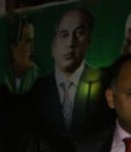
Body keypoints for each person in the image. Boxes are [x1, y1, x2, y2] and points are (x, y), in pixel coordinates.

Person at [28, 5, 110, 141]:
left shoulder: (104, 83)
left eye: (79, 33)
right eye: (64, 35)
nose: (71, 43)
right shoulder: (36, 90)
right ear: (53, 44)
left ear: (89, 39)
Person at [3, 14, 39, 95]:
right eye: (28, 41)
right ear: (13, 47)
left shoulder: (36, 74)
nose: (32, 49)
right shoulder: (4, 74)